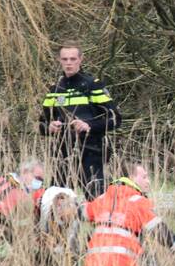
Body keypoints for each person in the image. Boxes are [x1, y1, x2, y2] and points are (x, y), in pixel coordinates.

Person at [81, 160, 175, 266]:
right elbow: (163, 234)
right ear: (131, 178)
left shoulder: (101, 199)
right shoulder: (138, 202)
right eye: (144, 177)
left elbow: (76, 212)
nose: (148, 181)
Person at [39, 43, 121, 199]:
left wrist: (88, 125)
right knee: (57, 201)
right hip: (63, 153)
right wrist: (49, 127)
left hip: (91, 151)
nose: (68, 63)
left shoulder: (93, 85)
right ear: (59, 60)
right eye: (65, 59)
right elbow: (41, 125)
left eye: (72, 59)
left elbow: (115, 119)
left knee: (96, 199)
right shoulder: (55, 89)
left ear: (80, 59)